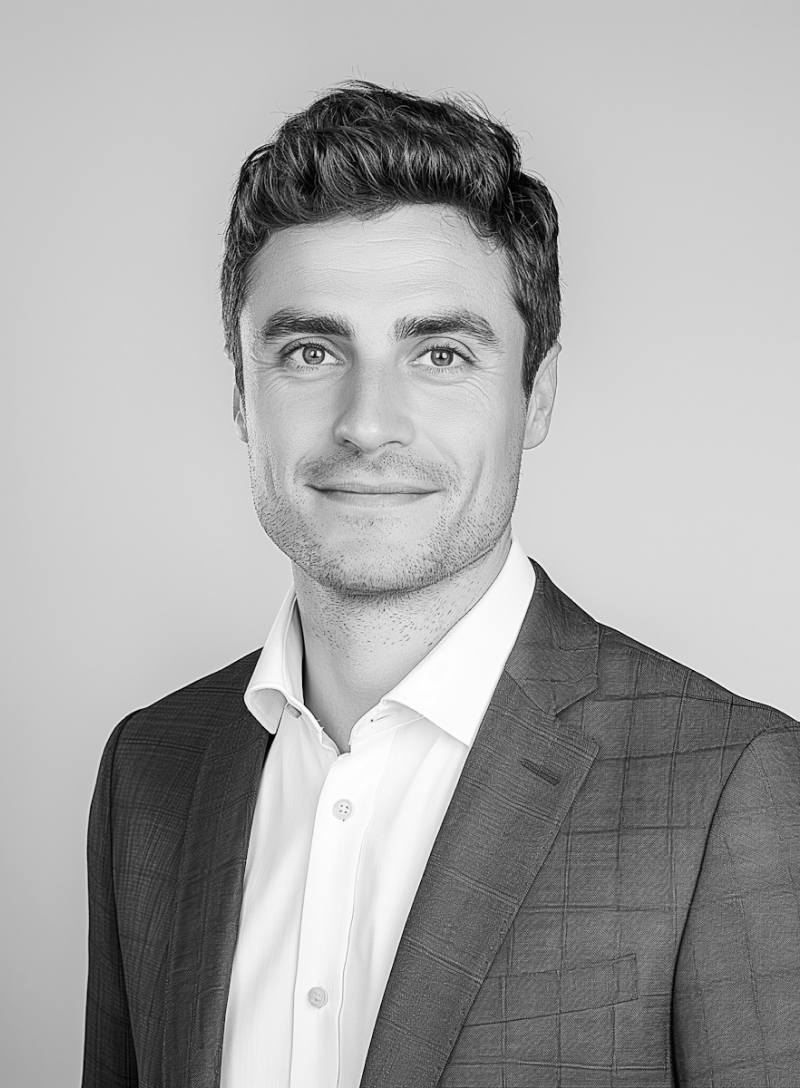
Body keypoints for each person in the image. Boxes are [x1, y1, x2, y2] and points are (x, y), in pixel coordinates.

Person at [82, 82, 800, 1088]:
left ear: (534, 394)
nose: (366, 421)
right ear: (240, 393)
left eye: (439, 352)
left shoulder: (732, 783)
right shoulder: (148, 771)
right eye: (307, 349)